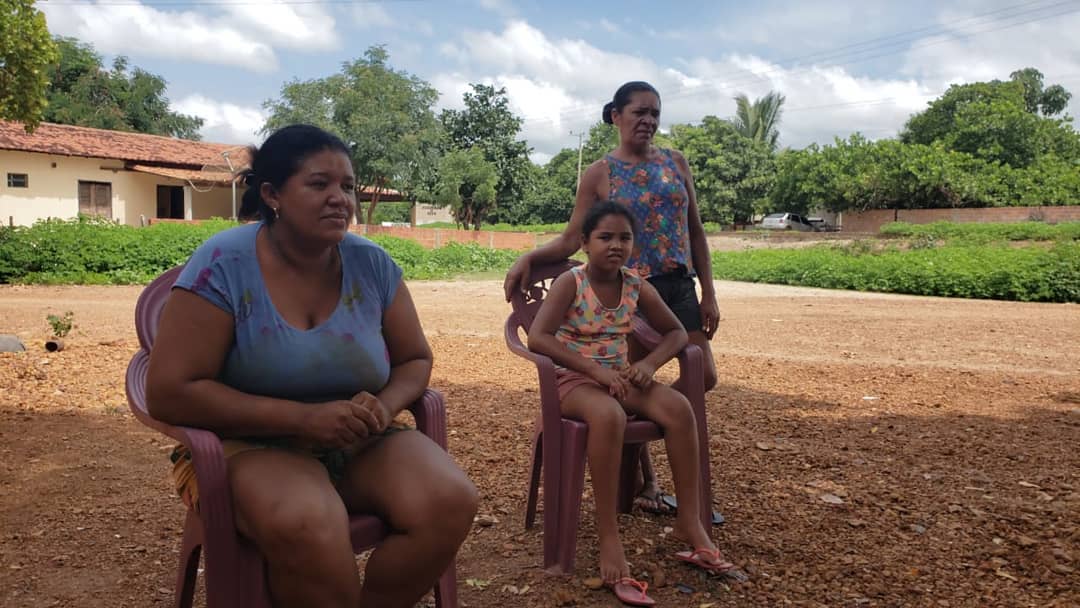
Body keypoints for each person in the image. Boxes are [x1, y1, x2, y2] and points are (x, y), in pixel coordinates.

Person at [146, 124, 478, 608]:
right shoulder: (223, 263)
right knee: (312, 524)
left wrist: (383, 408)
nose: (340, 198)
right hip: (245, 445)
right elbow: (170, 390)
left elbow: (414, 359)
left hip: (357, 438)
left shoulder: (373, 265)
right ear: (272, 194)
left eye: (347, 186)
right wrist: (301, 419)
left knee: (451, 500)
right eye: (319, 184)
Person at [505, 81, 721, 519]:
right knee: (625, 381)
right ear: (615, 116)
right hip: (630, 290)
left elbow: (695, 230)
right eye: (639, 112)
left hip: (676, 286)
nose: (648, 121)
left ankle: (645, 458)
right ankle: (644, 480)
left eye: (655, 113)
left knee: (704, 376)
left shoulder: (676, 163)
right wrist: (530, 256)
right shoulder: (600, 173)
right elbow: (572, 238)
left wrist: (709, 292)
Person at [527, 202, 736, 606]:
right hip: (572, 382)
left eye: (624, 238)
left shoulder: (637, 285)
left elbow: (676, 334)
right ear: (585, 243)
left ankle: (689, 524)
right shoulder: (572, 283)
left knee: (678, 408)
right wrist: (594, 370)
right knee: (608, 415)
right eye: (605, 237)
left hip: (620, 378)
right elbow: (539, 337)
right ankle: (609, 538)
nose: (615, 245)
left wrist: (648, 363)